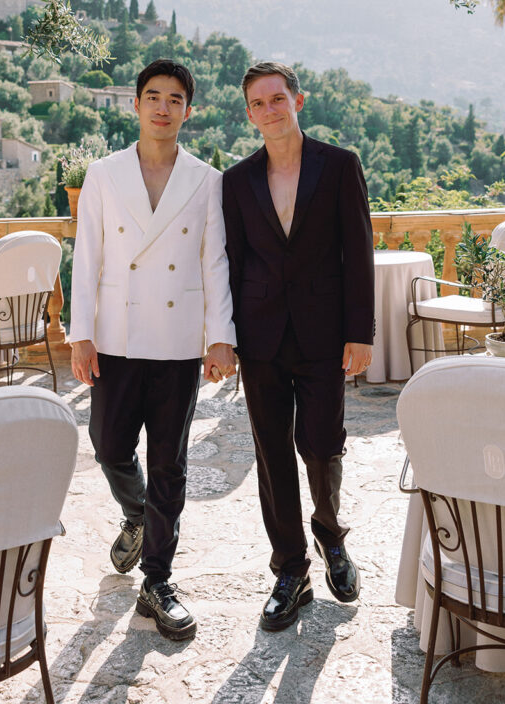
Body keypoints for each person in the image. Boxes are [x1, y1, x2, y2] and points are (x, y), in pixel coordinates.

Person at [70, 58, 236, 641]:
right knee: (108, 444)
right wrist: (80, 332)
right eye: (153, 96)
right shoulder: (103, 173)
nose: (163, 107)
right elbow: (87, 256)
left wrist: (221, 337)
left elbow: (214, 261)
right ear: (136, 105)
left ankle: (158, 581)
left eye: (175, 99)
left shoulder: (207, 180)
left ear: (187, 111)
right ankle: (137, 513)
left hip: (176, 340)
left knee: (169, 462)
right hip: (114, 335)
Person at [222, 61, 374, 631]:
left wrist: (361, 332)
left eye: (277, 99)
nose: (269, 110)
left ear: (298, 101)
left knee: (322, 445)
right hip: (260, 338)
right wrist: (226, 337)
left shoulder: (338, 166)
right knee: (272, 455)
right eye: (258, 103)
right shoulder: (235, 181)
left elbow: (358, 252)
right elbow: (231, 264)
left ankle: (331, 537)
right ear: (249, 114)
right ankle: (290, 571)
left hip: (323, 334)